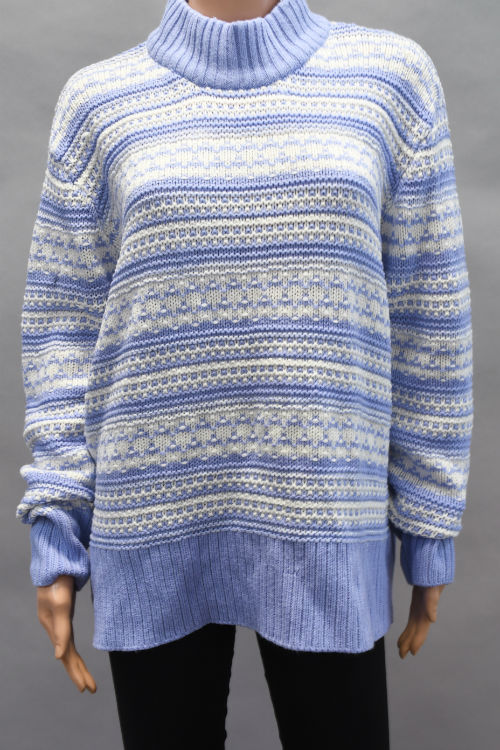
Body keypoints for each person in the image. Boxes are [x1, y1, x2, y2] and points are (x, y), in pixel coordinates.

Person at [16, 0, 473, 747]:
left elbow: (429, 317)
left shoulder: (390, 80)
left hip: (327, 518)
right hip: (153, 522)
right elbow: (62, 333)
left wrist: (428, 523)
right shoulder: (98, 102)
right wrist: (57, 526)